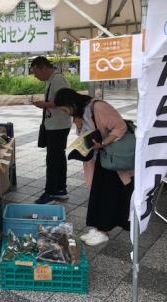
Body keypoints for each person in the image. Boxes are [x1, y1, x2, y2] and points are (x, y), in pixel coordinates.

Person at [54, 88, 134, 246]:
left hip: (111, 159)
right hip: (99, 160)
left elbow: (121, 127)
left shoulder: (98, 107)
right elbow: (84, 136)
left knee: (107, 197)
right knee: (99, 196)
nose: (65, 113)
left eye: (65, 109)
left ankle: (103, 231)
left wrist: (103, 143)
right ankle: (98, 229)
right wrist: (78, 125)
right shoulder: (81, 113)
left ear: (71, 103)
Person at [31, 57, 72, 204]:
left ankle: (50, 193)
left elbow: (65, 101)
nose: (35, 76)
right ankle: (61, 189)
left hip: (58, 126)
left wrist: (44, 104)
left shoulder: (58, 80)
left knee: (53, 159)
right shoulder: (52, 79)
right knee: (58, 157)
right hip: (55, 125)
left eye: (35, 72)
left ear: (43, 68)